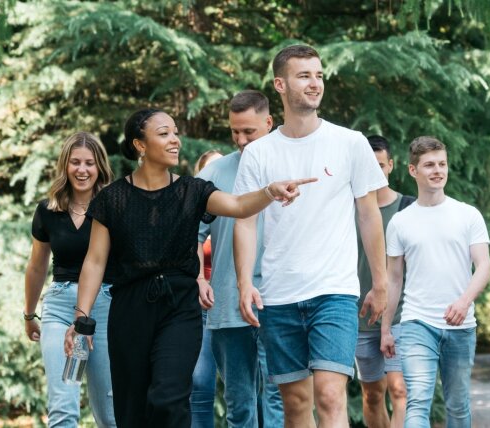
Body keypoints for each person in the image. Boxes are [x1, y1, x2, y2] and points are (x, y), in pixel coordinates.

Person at [64, 108, 315, 428]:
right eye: (164, 133)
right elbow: (95, 261)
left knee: (169, 397)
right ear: (140, 145)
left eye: (175, 132)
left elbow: (238, 206)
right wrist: (81, 316)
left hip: (179, 307)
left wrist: (269, 191)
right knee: (132, 408)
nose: (175, 140)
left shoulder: (192, 191)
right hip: (129, 309)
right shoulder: (112, 199)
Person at [233, 45, 388, 427]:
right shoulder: (258, 153)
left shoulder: (349, 142)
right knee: (296, 405)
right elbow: (245, 221)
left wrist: (381, 281)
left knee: (331, 396)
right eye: (304, 76)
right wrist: (243, 283)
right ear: (281, 85)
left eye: (319, 75)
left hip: (334, 291)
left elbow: (369, 215)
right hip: (280, 292)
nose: (315, 83)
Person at [381, 136, 490, 428]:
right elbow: (394, 280)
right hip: (417, 323)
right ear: (413, 170)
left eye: (442, 164)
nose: (437, 170)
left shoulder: (468, 215)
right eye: (429, 165)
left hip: (461, 325)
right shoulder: (400, 222)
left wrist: (464, 301)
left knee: (457, 405)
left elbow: (484, 268)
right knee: (417, 399)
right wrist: (386, 328)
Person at [195, 90, 284, 427]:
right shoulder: (212, 175)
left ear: (269, 123)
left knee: (279, 401)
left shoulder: (290, 168)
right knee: (240, 404)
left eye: (250, 131)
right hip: (229, 304)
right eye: (235, 131)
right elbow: (191, 233)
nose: (242, 139)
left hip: (281, 301)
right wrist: (198, 277)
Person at [23, 131, 117, 427]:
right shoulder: (48, 210)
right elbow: (37, 266)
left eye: (89, 163)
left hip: (102, 311)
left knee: (109, 412)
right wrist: (29, 314)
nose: (82, 169)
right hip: (61, 312)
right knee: (64, 406)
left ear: (99, 167)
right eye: (75, 162)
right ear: (65, 166)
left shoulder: (114, 207)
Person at [355, 135, 412, 428]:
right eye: (369, 165)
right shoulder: (349, 208)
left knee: (401, 391)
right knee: (373, 396)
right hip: (361, 317)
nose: (375, 172)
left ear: (390, 165)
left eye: (380, 165)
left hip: (401, 314)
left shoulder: (408, 208)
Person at [190, 149, 222, 428]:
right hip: (203, 305)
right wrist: (200, 280)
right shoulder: (194, 214)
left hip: (237, 302)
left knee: (253, 385)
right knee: (200, 385)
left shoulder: (237, 208)